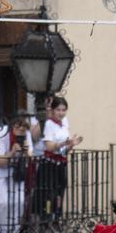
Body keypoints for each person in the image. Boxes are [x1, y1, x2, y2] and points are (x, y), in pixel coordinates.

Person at [32, 96, 83, 225]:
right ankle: (44, 225)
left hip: (61, 163)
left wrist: (71, 144)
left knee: (58, 195)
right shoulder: (49, 124)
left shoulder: (64, 122)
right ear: (53, 110)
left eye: (63, 110)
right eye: (58, 110)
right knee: (46, 197)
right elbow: (49, 146)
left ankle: (54, 224)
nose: (61, 113)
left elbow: (64, 150)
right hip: (49, 165)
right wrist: (63, 143)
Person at [0, 115, 33, 233]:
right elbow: (1, 162)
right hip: (1, 172)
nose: (21, 131)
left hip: (17, 172)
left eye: (24, 128)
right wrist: (12, 152)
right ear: (12, 127)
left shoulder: (26, 135)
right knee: (3, 203)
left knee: (19, 203)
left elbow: (30, 157)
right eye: (18, 127)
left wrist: (26, 152)